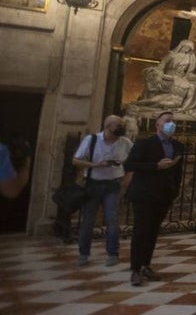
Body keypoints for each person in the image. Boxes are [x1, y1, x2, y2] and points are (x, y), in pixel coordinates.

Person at [123, 111, 185, 286]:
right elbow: (129, 164)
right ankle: (135, 269)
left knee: (152, 232)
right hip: (144, 193)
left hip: (164, 194)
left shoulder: (178, 146)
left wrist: (175, 190)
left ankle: (146, 265)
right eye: (167, 121)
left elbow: (177, 171)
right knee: (141, 231)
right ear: (157, 124)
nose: (171, 124)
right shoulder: (145, 143)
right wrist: (155, 166)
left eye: (173, 121)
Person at [72, 115, 133, 266]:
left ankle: (113, 253)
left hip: (113, 184)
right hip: (93, 184)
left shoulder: (125, 142)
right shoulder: (92, 140)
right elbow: (76, 160)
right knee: (88, 220)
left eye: (122, 125)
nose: (122, 127)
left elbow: (134, 161)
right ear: (108, 126)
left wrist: (127, 179)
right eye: (118, 125)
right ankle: (83, 253)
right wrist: (95, 165)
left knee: (112, 219)